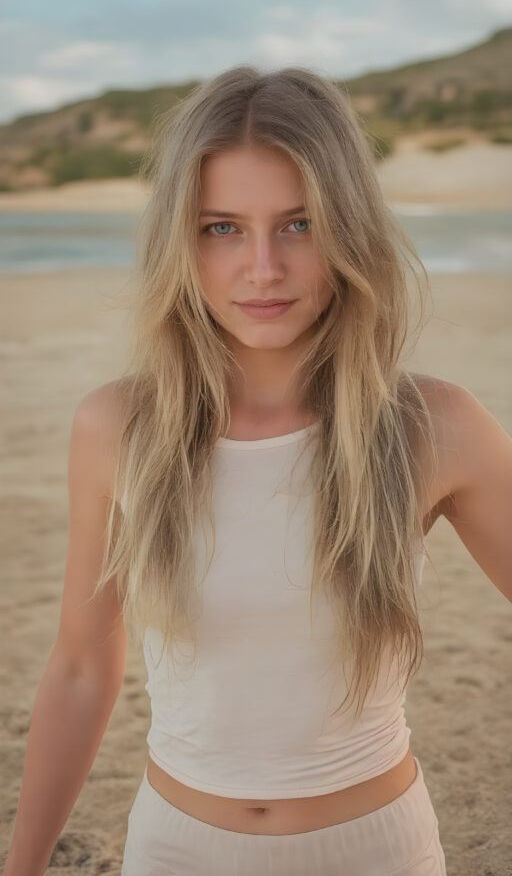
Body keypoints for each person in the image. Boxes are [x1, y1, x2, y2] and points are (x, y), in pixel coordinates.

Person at [4, 66, 512, 876]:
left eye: (300, 224)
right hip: (173, 850)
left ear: (349, 229)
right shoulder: (117, 427)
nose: (265, 267)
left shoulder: (433, 425)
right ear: (181, 242)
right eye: (223, 228)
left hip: (377, 851)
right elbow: (78, 666)